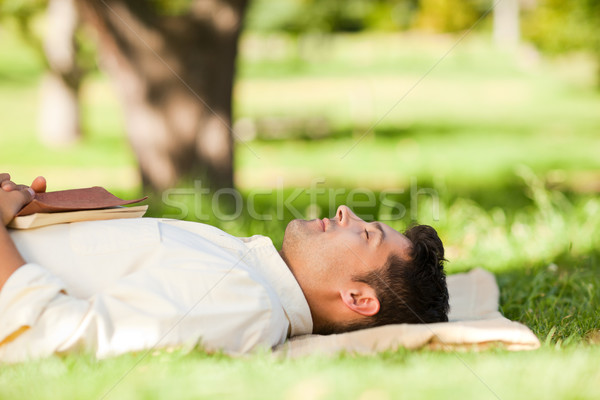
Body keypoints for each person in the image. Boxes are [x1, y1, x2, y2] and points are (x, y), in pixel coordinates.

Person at [0, 173, 449, 362]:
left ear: (358, 298)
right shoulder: (245, 268)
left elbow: (53, 332)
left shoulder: (245, 303)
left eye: (367, 234)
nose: (347, 211)